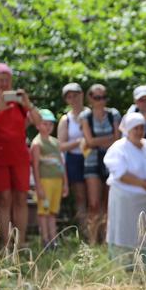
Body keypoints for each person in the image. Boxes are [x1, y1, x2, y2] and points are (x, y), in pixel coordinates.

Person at [0, 62, 43, 248]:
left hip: (19, 157)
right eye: (0, 80)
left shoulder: (19, 103)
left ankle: (19, 244)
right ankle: (4, 245)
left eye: (7, 80)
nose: (4, 84)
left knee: (21, 198)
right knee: (3, 199)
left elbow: (39, 123)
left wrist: (28, 104)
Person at [103, 113, 146, 264]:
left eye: (141, 128)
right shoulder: (118, 147)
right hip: (125, 199)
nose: (139, 131)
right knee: (124, 231)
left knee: (145, 232)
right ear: (128, 130)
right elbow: (120, 173)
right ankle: (123, 262)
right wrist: (144, 184)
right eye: (135, 128)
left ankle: (143, 263)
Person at [80, 84, 121, 244]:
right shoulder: (85, 116)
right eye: (97, 97)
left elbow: (117, 139)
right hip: (92, 162)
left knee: (108, 203)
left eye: (103, 97)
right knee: (94, 203)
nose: (101, 101)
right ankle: (92, 239)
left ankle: (106, 240)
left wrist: (97, 141)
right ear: (90, 98)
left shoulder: (114, 114)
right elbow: (89, 142)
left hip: (111, 161)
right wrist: (107, 139)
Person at [30, 109, 68, 248]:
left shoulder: (56, 142)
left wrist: (66, 184)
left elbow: (61, 164)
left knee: (52, 212)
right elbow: (35, 166)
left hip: (57, 181)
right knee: (43, 212)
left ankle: (53, 240)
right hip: (44, 182)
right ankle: (45, 240)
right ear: (38, 125)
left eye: (50, 124)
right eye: (44, 124)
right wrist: (38, 186)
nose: (48, 127)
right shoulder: (36, 143)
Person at [57, 82, 89, 235]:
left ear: (82, 95)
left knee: (96, 197)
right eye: (69, 97)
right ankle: (85, 231)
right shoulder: (66, 119)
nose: (73, 99)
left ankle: (99, 231)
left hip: (93, 159)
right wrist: (79, 142)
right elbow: (61, 146)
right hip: (75, 160)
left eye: (75, 95)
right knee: (81, 197)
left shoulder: (91, 114)